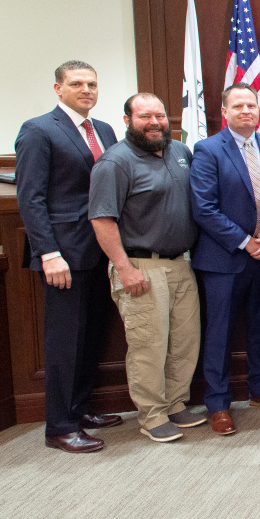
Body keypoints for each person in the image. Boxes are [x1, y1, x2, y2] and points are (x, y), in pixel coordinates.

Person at [15, 60, 122, 453]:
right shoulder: (39, 130)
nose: (86, 90)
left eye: (92, 84)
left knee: (91, 337)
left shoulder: (104, 130)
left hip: (100, 251)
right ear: (58, 89)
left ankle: (80, 410)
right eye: (77, 84)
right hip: (64, 255)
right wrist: (48, 253)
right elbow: (30, 198)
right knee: (65, 343)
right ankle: (59, 427)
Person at [89, 93, 205, 443]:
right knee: (148, 345)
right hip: (140, 266)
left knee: (184, 341)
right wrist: (123, 268)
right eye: (145, 117)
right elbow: (102, 219)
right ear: (128, 121)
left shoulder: (180, 152)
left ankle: (175, 403)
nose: (154, 122)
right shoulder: (115, 162)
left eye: (160, 115)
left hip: (181, 264)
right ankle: (152, 414)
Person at [189, 83, 260, 436]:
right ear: (225, 112)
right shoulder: (207, 150)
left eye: (251, 105)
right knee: (220, 333)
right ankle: (218, 403)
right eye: (238, 106)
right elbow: (203, 207)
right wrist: (246, 242)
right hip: (224, 259)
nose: (246, 111)